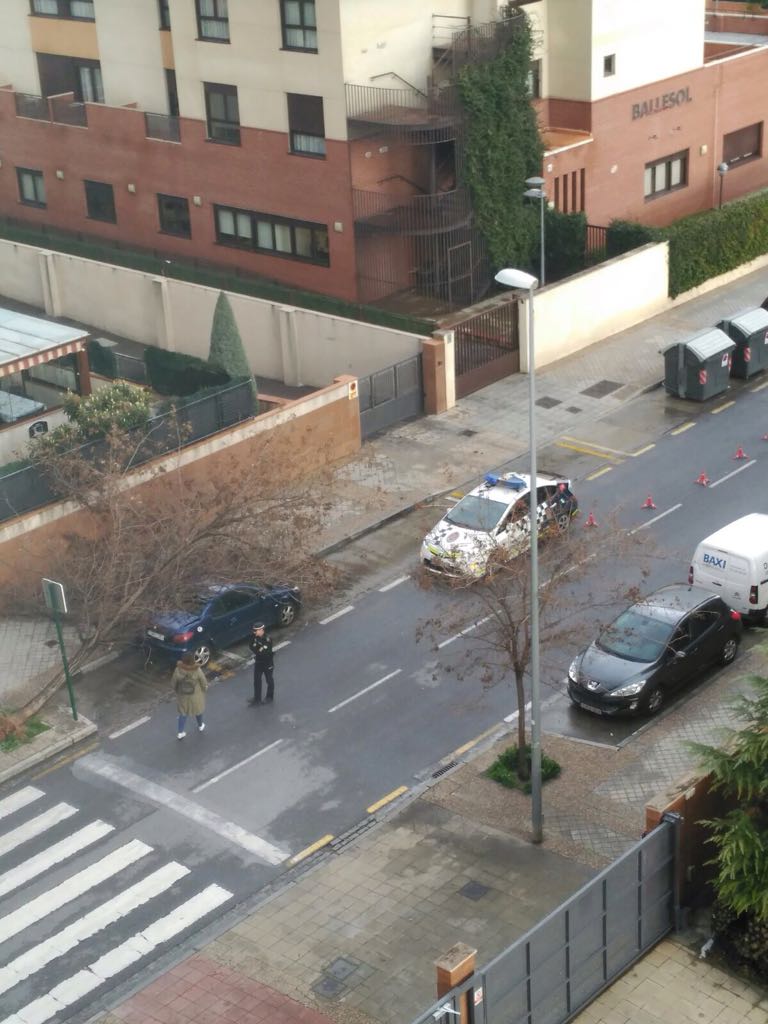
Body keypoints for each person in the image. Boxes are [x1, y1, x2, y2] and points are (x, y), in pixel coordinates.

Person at [172, 652, 207, 739]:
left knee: (183, 713)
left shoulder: (178, 670)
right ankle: (200, 725)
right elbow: (203, 682)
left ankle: (180, 732)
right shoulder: (197, 670)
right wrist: (204, 689)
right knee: (198, 710)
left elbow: (173, 683)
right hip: (196, 696)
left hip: (183, 695)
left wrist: (176, 690)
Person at [248, 622, 274, 705]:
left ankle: (269, 697)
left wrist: (257, 649)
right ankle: (257, 699)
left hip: (267, 663)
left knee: (269, 680)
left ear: (262, 630)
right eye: (254, 630)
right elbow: (251, 646)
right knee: (257, 681)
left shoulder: (268, 640)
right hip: (259, 662)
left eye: (256, 630)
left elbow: (263, 652)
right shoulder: (254, 637)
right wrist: (257, 648)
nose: (254, 632)